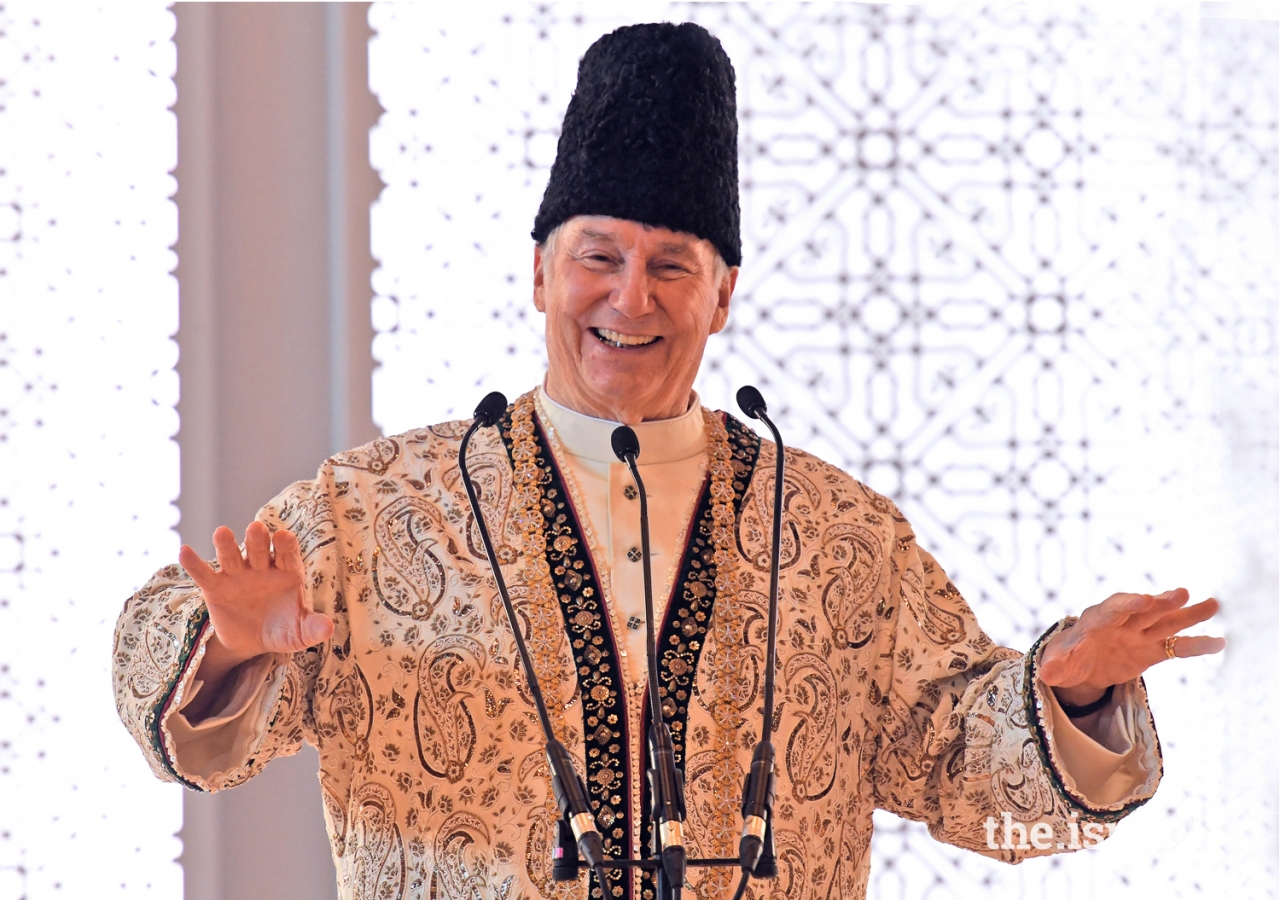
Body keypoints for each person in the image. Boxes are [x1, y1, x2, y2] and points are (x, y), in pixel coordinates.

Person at [112, 22, 1224, 900]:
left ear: (722, 294)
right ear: (540, 274)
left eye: (671, 267)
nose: (628, 299)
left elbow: (951, 756)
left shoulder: (837, 536)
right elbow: (190, 732)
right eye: (597, 256)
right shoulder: (370, 513)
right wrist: (230, 649)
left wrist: (1062, 691)